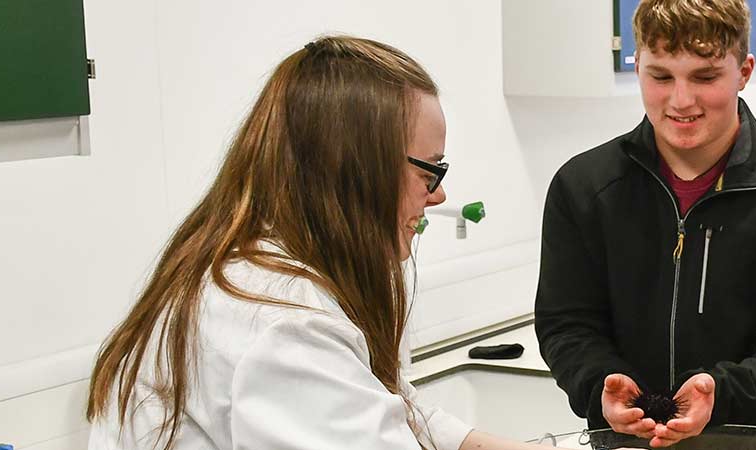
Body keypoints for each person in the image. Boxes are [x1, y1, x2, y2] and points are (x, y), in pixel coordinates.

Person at [85, 36, 552, 450]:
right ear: (356, 169)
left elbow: (396, 407)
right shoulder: (281, 324)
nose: (439, 194)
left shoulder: (261, 273)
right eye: (429, 171)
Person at [534, 0, 756, 447]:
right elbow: (566, 324)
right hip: (623, 441)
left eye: (705, 77)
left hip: (750, 439)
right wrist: (600, 385)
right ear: (637, 65)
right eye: (660, 76)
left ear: (744, 71)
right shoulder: (583, 187)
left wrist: (717, 396)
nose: (681, 101)